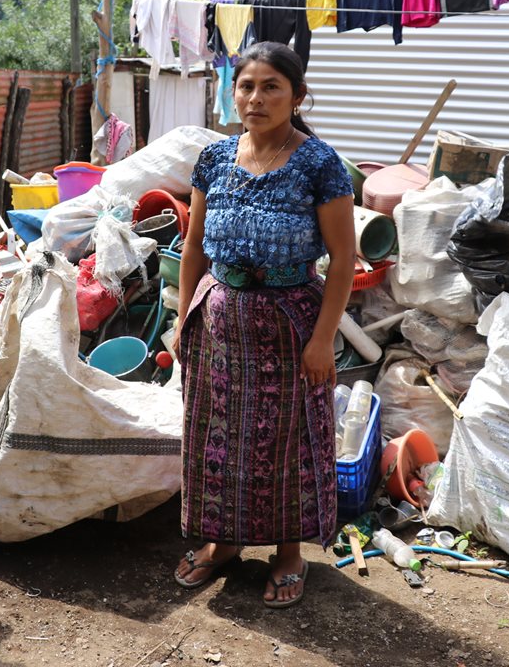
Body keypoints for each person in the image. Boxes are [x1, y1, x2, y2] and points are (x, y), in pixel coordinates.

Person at [171, 41, 356, 608]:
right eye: (246, 86)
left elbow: (343, 261)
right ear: (234, 93)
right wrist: (183, 319)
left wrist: (323, 339)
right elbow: (194, 248)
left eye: (271, 86)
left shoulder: (319, 164)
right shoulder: (214, 159)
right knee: (216, 436)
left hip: (289, 327)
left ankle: (288, 553)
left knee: (286, 443)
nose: (256, 97)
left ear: (297, 96)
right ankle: (223, 540)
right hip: (218, 323)